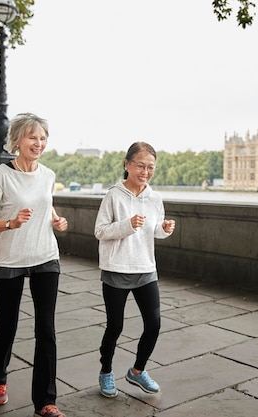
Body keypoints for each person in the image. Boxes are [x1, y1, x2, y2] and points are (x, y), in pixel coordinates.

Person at [0, 113, 68, 417]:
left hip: (45, 256)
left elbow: (44, 202)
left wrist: (55, 219)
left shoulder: (49, 174)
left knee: (46, 329)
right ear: (17, 140)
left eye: (42, 138)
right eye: (32, 137)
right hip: (10, 259)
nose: (38, 143)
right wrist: (10, 223)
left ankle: (45, 402)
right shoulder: (1, 174)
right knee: (8, 326)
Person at [94, 141, 176, 398]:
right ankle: (106, 371)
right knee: (115, 326)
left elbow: (152, 232)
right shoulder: (113, 196)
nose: (145, 172)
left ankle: (137, 371)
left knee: (154, 324)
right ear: (127, 164)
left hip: (145, 269)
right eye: (140, 165)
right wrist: (127, 225)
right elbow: (100, 232)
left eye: (150, 167)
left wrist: (163, 230)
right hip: (116, 269)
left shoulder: (154, 198)